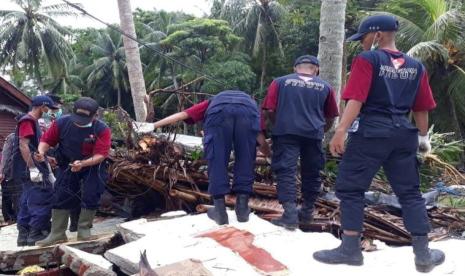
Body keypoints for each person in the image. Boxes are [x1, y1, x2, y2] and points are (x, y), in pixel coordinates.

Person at [312, 15, 445, 273]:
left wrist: (340, 131)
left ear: (376, 36)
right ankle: (424, 254)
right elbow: (421, 107)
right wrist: (422, 138)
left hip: (372, 132)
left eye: (363, 38)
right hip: (403, 135)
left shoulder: (368, 60)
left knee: (351, 188)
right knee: (409, 193)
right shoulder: (416, 66)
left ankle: (350, 249)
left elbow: (356, 99)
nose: (361, 44)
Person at [152, 90, 269, 225]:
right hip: (248, 114)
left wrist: (153, 125)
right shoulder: (252, 105)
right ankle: (242, 210)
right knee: (246, 156)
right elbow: (260, 138)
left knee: (217, 158)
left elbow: (182, 115)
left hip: (218, 114)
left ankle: (220, 212)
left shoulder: (212, 102)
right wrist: (269, 155)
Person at [261, 55, 339, 230]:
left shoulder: (280, 82)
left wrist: (279, 124)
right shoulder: (325, 87)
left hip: (286, 133)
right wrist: (321, 130)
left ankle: (289, 215)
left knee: (286, 171)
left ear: (295, 68)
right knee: (312, 172)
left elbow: (269, 110)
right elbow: (331, 115)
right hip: (314, 134)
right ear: (316, 69)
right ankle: (307, 213)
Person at [35, 97, 112, 246]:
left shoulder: (102, 129)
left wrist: (83, 163)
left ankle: (84, 230)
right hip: (68, 163)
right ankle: (57, 233)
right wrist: (41, 152)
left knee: (91, 193)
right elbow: (46, 141)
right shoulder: (62, 123)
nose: (79, 122)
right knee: (61, 194)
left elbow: (101, 154)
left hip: (93, 165)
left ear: (95, 115)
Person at [11, 95, 59, 246]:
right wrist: (32, 168)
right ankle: (35, 233)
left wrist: (46, 158)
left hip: (28, 166)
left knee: (26, 200)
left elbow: (32, 147)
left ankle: (23, 234)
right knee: (42, 198)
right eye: (48, 108)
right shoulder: (28, 120)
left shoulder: (33, 122)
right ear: (42, 106)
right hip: (30, 167)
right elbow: (23, 145)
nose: (49, 111)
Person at [0, 133, 18, 223]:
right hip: (7, 172)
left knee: (14, 196)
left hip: (14, 172)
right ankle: (8, 217)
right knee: (7, 195)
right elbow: (5, 156)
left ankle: (14, 216)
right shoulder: (12, 138)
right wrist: (2, 172)